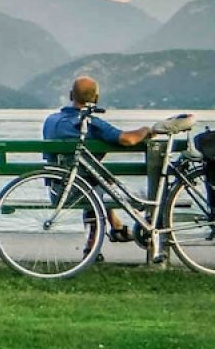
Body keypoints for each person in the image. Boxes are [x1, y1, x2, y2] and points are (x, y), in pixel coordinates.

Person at [42, 75, 154, 243]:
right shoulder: (90, 124)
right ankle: (146, 238)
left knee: (96, 181)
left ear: (71, 95)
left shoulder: (50, 121)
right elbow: (128, 139)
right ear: (96, 98)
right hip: (81, 191)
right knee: (144, 195)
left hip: (56, 189)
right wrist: (145, 130)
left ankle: (115, 228)